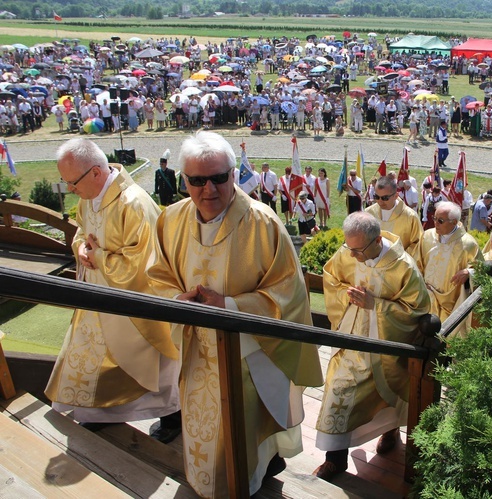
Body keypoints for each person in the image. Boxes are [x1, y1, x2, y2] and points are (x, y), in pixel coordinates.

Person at [147, 131, 323, 498]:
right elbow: (158, 276)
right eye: (197, 180)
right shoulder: (171, 219)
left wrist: (228, 306)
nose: (208, 189)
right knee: (201, 425)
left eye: (218, 178)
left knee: (242, 429)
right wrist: (178, 300)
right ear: (184, 181)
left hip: (245, 351)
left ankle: (244, 481)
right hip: (195, 348)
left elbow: (287, 292)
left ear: (233, 175)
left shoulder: (263, 223)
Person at [45, 138, 181, 444]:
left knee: (153, 364)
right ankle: (100, 412)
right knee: (95, 357)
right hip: (99, 297)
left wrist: (97, 257)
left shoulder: (133, 203)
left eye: (73, 182)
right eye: (66, 182)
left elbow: (143, 262)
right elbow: (82, 231)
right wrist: (80, 247)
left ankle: (173, 416)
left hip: (136, 303)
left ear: (95, 172)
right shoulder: (88, 196)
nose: (71, 190)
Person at [314, 212, 431, 481]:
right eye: (349, 248)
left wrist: (375, 306)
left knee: (386, 394)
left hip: (384, 347)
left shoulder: (403, 267)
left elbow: (418, 310)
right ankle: (335, 460)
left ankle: (390, 431)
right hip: (350, 338)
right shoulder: (349, 251)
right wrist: (348, 296)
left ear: (377, 239)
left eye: (358, 250)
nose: (352, 255)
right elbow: (331, 276)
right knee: (337, 391)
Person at [413, 201, 482, 339]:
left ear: (454, 222)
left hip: (450, 304)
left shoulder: (468, 244)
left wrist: (470, 272)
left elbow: (482, 270)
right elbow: (416, 263)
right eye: (434, 218)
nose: (435, 223)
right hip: (426, 298)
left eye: (440, 221)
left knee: (446, 342)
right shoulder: (427, 236)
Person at [365, 176, 423, 254]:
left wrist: (399, 257)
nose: (380, 202)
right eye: (377, 197)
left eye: (385, 198)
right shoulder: (369, 213)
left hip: (399, 263)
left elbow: (418, 244)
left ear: (396, 196)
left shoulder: (410, 217)